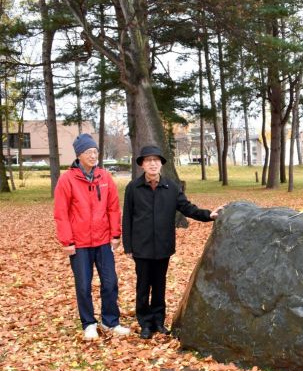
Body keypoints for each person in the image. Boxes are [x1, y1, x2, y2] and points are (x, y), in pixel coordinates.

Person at [122, 145, 220, 339]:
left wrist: (209, 215)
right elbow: (127, 218)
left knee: (159, 284)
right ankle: (145, 323)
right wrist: (128, 246)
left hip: (163, 246)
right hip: (141, 247)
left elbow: (187, 208)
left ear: (161, 164)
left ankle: (158, 320)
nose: (152, 164)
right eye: (148, 160)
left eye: (156, 160)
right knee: (143, 287)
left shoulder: (171, 187)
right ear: (142, 164)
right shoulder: (133, 188)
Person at [54, 134, 131, 340]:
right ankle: (88, 323)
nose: (93, 155)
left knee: (110, 282)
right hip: (79, 244)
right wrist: (67, 241)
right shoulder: (67, 179)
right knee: (83, 285)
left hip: (103, 240)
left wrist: (116, 234)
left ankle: (110, 321)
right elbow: (61, 213)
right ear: (79, 155)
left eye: (95, 151)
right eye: (89, 152)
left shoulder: (104, 177)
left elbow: (113, 208)